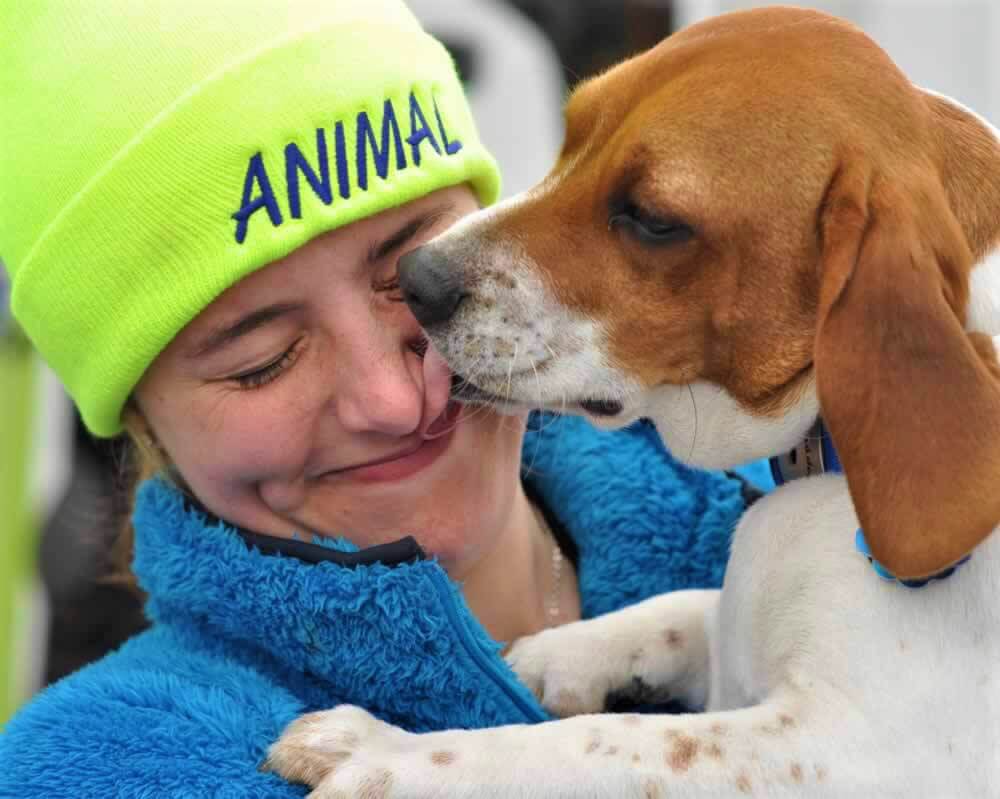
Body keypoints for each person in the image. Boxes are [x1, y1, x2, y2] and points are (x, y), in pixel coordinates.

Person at [0, 1, 759, 795]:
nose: (393, 401)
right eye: (262, 361)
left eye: (421, 277)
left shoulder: (790, 500)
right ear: (140, 417)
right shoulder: (119, 760)